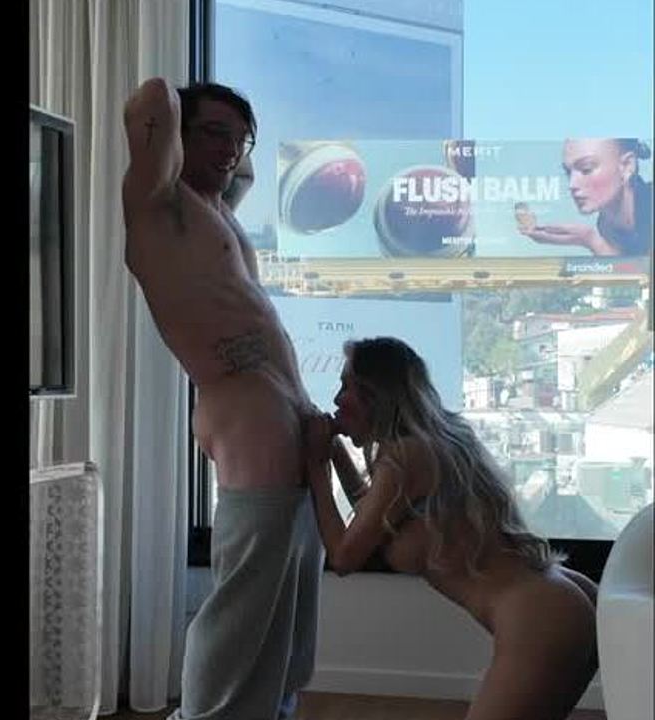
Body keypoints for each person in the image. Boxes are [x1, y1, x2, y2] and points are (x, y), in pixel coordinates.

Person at [123, 77, 324, 720]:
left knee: (291, 582)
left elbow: (241, 168)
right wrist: (181, 115)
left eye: (240, 140)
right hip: (243, 407)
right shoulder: (159, 204)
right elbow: (151, 99)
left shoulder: (221, 211)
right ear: (178, 138)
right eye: (214, 134)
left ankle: (273, 708)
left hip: (283, 405)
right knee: (248, 592)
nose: (230, 150)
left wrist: (228, 135)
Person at [304, 337, 598, 720]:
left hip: (540, 617)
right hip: (559, 598)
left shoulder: (404, 458)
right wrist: (336, 454)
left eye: (347, 386)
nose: (337, 399)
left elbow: (345, 556)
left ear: (376, 395)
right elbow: (374, 514)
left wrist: (315, 468)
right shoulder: (432, 441)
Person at [520, 138, 653, 256]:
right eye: (568, 172)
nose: (572, 185)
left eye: (586, 169)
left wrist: (591, 240)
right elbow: (624, 270)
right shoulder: (605, 223)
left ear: (627, 165)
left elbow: (644, 272)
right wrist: (588, 239)